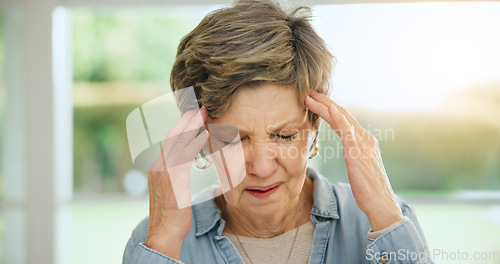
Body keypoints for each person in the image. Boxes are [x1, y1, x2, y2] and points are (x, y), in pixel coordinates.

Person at [123, 0, 433, 263]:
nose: (261, 167)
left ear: (314, 125)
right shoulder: (155, 241)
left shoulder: (384, 223)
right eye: (232, 140)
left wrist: (385, 215)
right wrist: (163, 241)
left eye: (284, 136)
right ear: (200, 137)